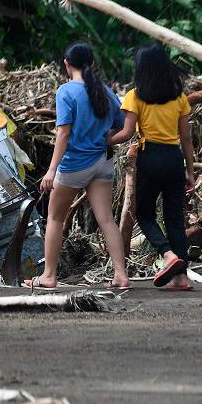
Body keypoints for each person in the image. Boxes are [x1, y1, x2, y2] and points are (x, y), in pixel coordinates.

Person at [24, 42, 130, 290]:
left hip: (74, 165)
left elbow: (62, 134)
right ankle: (121, 275)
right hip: (102, 162)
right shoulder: (105, 91)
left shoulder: (65, 92)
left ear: (66, 64)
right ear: (92, 64)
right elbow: (121, 124)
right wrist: (104, 138)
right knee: (106, 219)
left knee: (55, 218)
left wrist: (51, 170)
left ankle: (49, 276)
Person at [108, 42, 195, 290]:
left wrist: (105, 141)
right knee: (175, 218)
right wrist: (190, 170)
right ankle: (181, 277)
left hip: (151, 157)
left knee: (145, 215)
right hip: (174, 158)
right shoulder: (179, 97)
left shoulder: (135, 96)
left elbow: (126, 133)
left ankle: (168, 255)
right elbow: (186, 138)